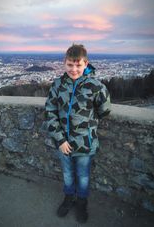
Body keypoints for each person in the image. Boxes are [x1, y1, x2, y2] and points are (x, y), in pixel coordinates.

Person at [45, 44, 111, 223]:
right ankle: (68, 198)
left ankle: (81, 202)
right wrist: (59, 139)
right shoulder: (58, 85)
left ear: (86, 63)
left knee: (82, 176)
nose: (74, 69)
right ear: (64, 63)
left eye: (78, 65)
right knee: (67, 174)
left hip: (85, 143)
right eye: (70, 65)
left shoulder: (96, 86)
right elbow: (50, 112)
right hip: (63, 143)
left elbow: (105, 110)